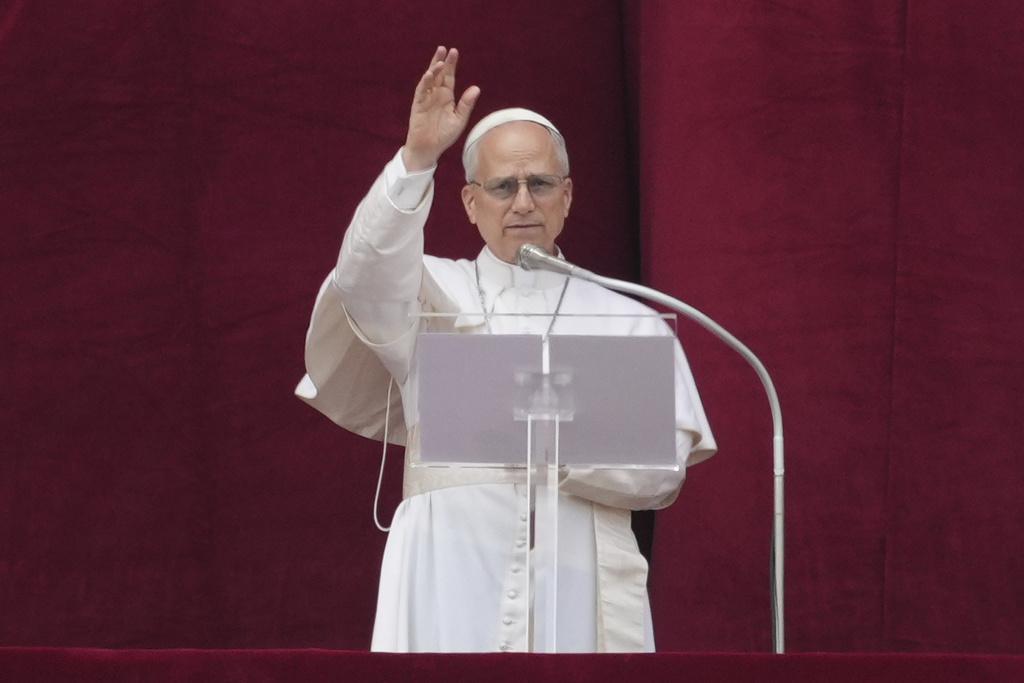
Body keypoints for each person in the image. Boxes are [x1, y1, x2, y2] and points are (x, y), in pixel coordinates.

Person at [295, 46, 716, 653]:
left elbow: (663, 471)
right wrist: (417, 160)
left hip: (577, 582)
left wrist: (544, 441)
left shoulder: (628, 320)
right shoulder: (429, 296)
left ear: (566, 196)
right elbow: (361, 278)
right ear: (471, 203)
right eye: (502, 186)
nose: (523, 202)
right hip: (447, 578)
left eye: (539, 184)